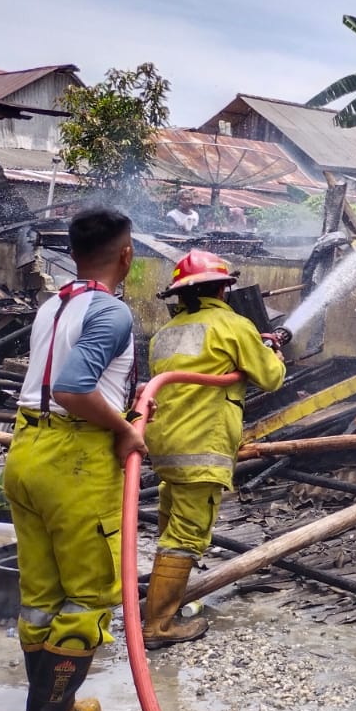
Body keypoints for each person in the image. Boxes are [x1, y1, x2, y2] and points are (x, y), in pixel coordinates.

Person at [3, 207, 142, 711]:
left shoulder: (52, 306)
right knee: (86, 600)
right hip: (75, 460)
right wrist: (128, 429)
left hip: (25, 452)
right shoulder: (112, 313)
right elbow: (73, 388)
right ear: (126, 254)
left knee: (41, 601)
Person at [143, 250, 286, 648]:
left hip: (165, 446)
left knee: (170, 525)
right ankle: (158, 625)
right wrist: (272, 352)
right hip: (201, 447)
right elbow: (271, 378)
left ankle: (157, 604)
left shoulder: (165, 334)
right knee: (186, 535)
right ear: (224, 288)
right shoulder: (233, 325)